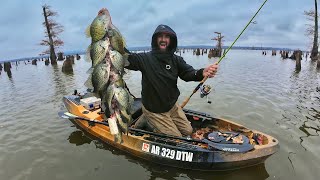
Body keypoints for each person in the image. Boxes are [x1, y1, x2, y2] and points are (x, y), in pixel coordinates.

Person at [125, 24, 218, 137]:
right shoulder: (144, 59)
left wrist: (202, 72)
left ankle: (145, 118)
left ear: (171, 40)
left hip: (172, 106)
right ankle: (148, 117)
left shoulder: (176, 60)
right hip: (154, 110)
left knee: (188, 131)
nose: (163, 40)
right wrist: (109, 36)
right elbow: (127, 59)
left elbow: (188, 73)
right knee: (177, 139)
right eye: (160, 36)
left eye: (167, 37)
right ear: (155, 39)